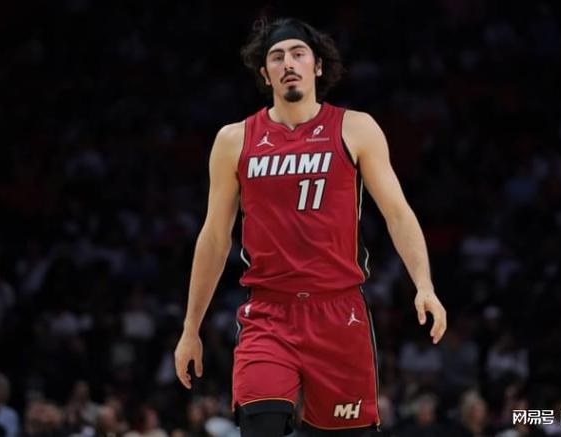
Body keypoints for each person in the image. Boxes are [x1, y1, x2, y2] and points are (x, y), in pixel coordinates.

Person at [174, 17, 447, 436]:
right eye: (277, 57)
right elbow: (213, 238)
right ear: (265, 73)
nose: (288, 63)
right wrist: (190, 328)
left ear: (317, 66)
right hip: (268, 314)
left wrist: (424, 285)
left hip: (338, 312)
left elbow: (398, 213)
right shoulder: (234, 139)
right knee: (260, 425)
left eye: (298, 54)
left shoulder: (356, 128)